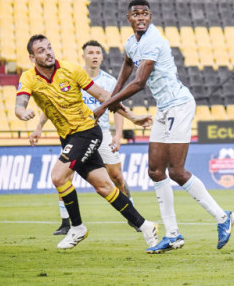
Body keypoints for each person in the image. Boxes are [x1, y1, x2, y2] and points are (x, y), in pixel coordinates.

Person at [93, 0, 234, 253]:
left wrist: (106, 104)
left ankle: (223, 217)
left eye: (145, 14)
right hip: (164, 108)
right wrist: (112, 97)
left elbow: (139, 82)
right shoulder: (131, 43)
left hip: (179, 105)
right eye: (136, 14)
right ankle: (173, 235)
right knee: (155, 171)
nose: (141, 17)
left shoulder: (153, 41)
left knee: (177, 171)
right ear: (129, 18)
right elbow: (127, 64)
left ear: (150, 17)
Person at [18, 35, 158, 250]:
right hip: (68, 136)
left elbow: (103, 95)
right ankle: (145, 226)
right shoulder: (28, 78)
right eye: (41, 50)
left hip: (87, 131)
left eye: (49, 47)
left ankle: (77, 227)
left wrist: (132, 117)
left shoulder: (71, 70)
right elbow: (21, 101)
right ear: (32, 57)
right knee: (103, 187)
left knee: (58, 176)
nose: (48, 52)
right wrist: (22, 112)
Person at [33, 40, 136, 235]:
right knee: (65, 175)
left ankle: (131, 209)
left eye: (98, 52)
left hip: (102, 132)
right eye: (91, 52)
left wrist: (118, 134)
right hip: (77, 133)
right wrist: (39, 126)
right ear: (84, 56)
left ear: (102, 57)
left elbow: (116, 108)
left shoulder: (109, 81)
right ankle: (66, 222)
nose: (95, 56)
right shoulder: (70, 75)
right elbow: (53, 105)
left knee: (116, 176)